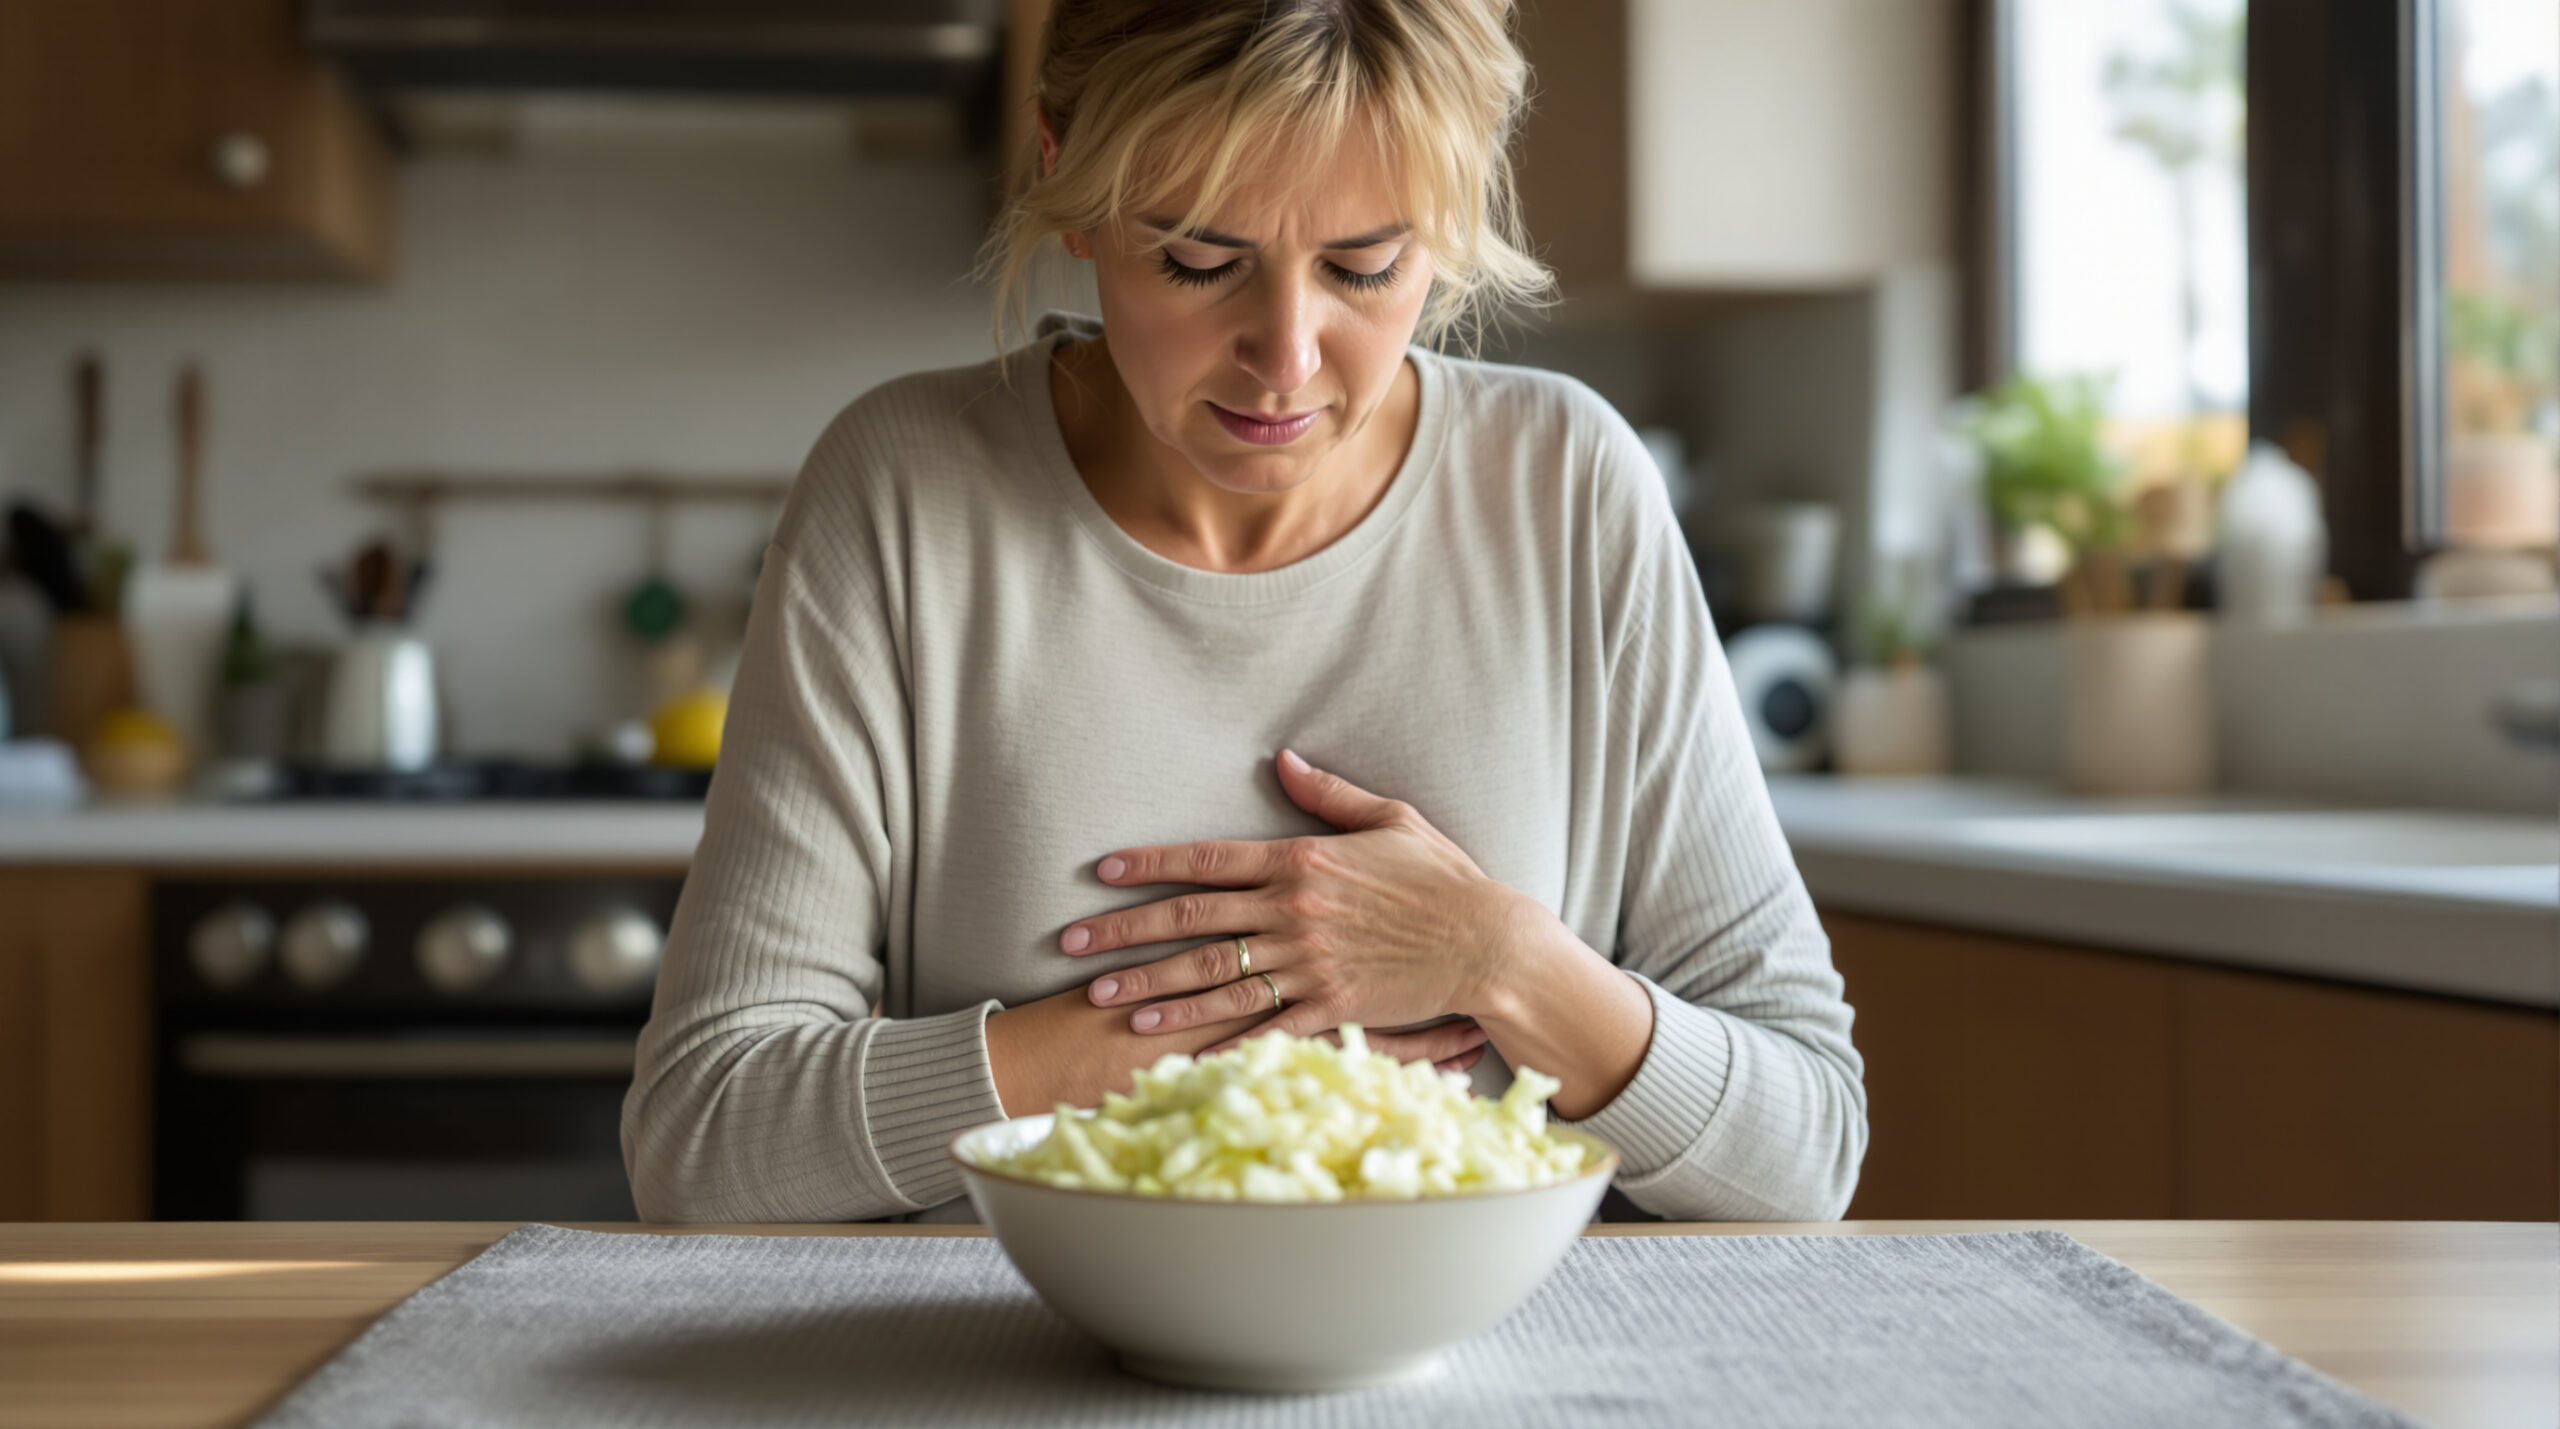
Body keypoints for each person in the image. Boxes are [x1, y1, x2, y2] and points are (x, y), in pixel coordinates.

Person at [622, 0, 1865, 1224]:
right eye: (1198, 259)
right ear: (1067, 173)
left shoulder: (1570, 487)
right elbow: (703, 1133)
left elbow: (1805, 1146)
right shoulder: (901, 492)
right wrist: (1162, 1039)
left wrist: (1497, 959)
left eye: (1365, 266)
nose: (1285, 355)